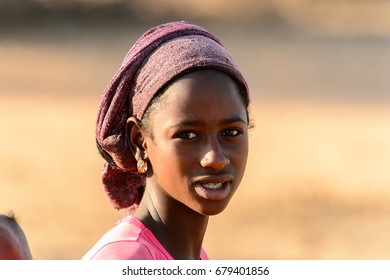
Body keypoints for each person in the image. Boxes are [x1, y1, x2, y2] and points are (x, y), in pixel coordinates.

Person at [83, 21, 251, 260]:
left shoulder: (189, 256)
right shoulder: (125, 260)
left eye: (231, 132)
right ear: (140, 142)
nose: (215, 158)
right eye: (188, 135)